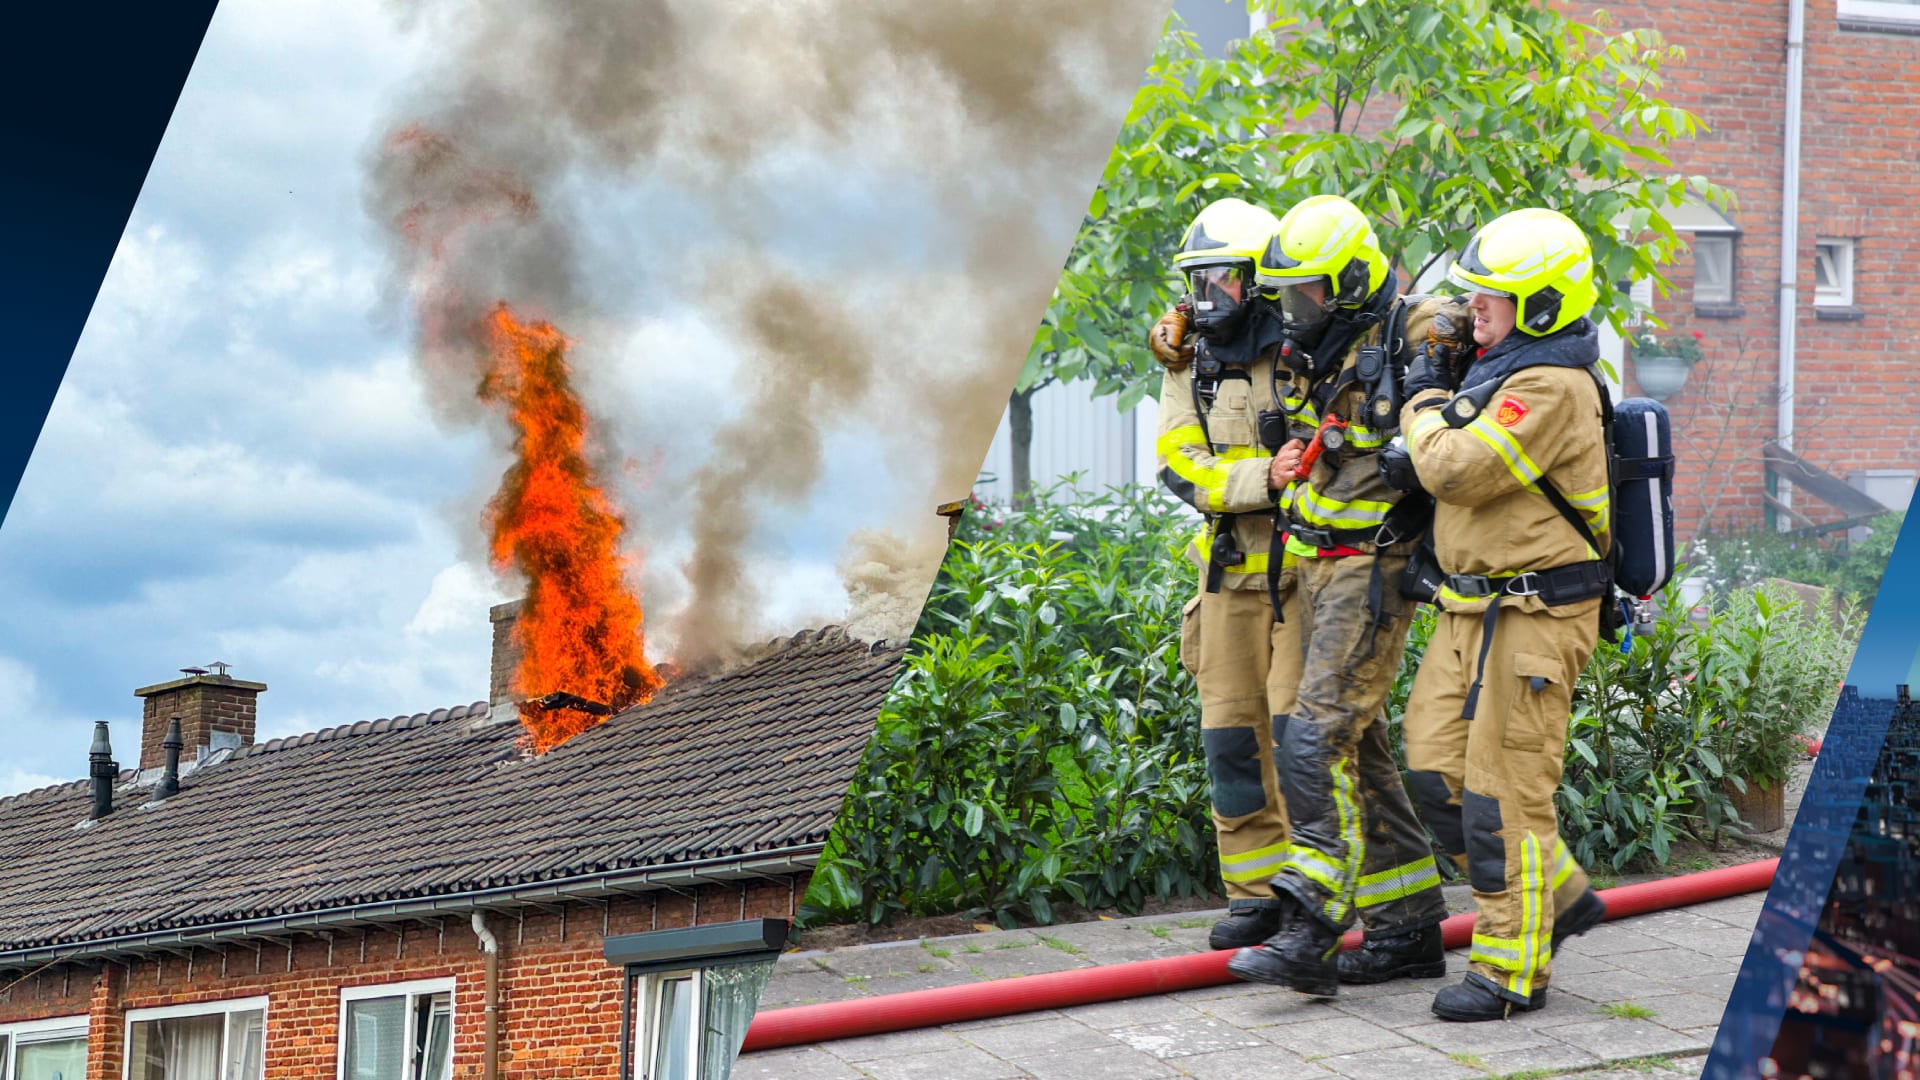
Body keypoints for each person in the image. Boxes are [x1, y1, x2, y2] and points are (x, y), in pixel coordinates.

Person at [1217, 195, 1455, 998]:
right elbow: (1225, 323)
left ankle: (1311, 930)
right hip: (1317, 565)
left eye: (1308, 292)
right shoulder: (1311, 341)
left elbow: (1498, 355)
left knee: (1315, 738)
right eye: (1287, 294)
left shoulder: (1420, 331)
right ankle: (1407, 930)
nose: (1294, 308)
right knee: (1362, 750)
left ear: (1351, 280)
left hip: (1374, 569)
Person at [1392, 207, 1612, 1022]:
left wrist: (1422, 400)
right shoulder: (1499, 370)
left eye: (1493, 296)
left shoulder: (1549, 385)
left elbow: (1457, 469)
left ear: (1543, 307)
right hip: (1470, 609)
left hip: (1534, 616)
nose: (1473, 307)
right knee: (1432, 765)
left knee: (1502, 796)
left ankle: (1511, 969)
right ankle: (1563, 894)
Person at [1151, 197, 1312, 951]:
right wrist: (1260, 480)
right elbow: (1176, 463)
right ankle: (1254, 897)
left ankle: (1314, 894)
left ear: (1262, 280)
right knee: (1231, 743)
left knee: (1301, 742)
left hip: (1306, 579)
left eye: (1223, 278)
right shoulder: (1194, 361)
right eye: (1198, 280)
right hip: (1226, 580)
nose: (1207, 295)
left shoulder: (1306, 350)